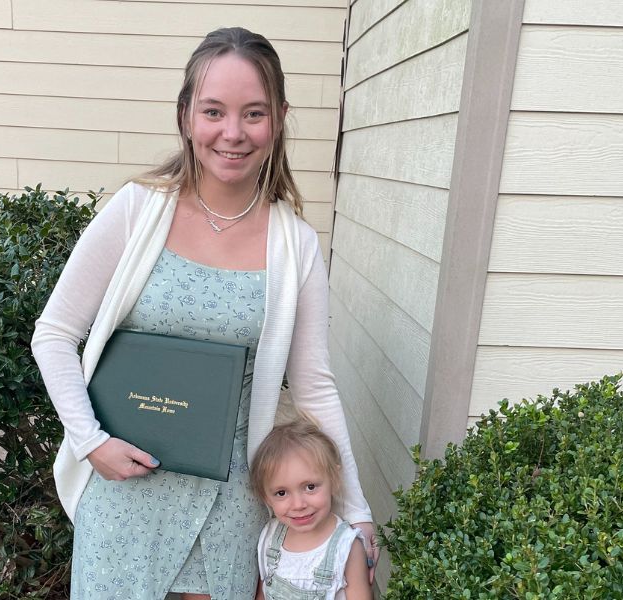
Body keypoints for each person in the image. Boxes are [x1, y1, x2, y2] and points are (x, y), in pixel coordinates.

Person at [31, 26, 377, 600]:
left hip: (231, 502)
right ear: (187, 113)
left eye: (254, 113)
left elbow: (314, 387)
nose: (233, 133)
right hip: (125, 492)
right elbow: (55, 333)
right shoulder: (136, 211)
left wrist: (357, 510)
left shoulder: (295, 246)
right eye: (214, 111)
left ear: (280, 118)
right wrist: (91, 442)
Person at [251, 419, 372, 600]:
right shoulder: (270, 537)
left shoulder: (346, 546)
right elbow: (262, 594)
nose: (298, 504)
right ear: (266, 496)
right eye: (281, 492)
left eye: (310, 487)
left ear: (334, 478)